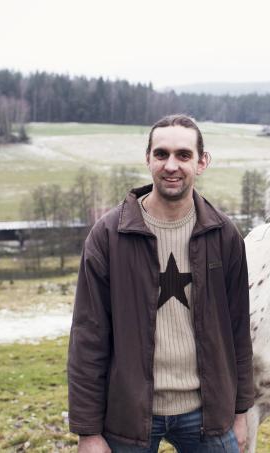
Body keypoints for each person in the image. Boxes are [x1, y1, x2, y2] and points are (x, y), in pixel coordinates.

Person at [68, 114, 253, 453]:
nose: (171, 165)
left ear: (202, 162)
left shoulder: (224, 236)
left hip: (208, 413)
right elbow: (88, 338)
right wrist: (88, 433)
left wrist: (240, 412)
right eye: (161, 154)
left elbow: (239, 331)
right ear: (148, 159)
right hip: (127, 416)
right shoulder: (108, 237)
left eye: (183, 155)